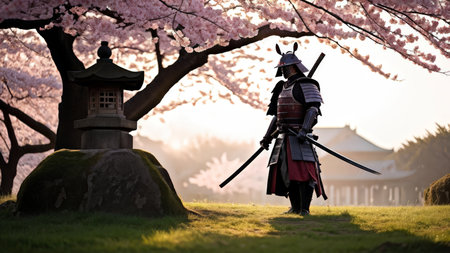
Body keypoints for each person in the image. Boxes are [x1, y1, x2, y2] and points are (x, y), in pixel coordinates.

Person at [260, 42, 327, 215]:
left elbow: (313, 109)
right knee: (286, 174)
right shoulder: (281, 88)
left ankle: (304, 208)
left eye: (284, 68)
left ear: (292, 67)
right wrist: (267, 137)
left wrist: (304, 131)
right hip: (282, 137)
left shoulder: (307, 84)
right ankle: (295, 207)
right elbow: (277, 115)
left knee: (304, 174)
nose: (282, 71)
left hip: (299, 136)